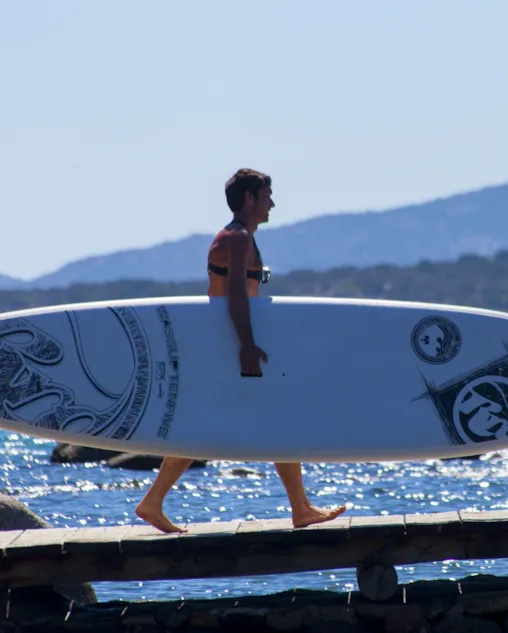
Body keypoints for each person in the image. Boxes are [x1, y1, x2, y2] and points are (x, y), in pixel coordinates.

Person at [135, 168, 348, 534]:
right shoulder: (236, 238)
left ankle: (153, 502)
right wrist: (247, 346)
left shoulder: (241, 239)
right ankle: (300, 509)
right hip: (230, 343)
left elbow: (246, 284)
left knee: (215, 425)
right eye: (267, 195)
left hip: (222, 342)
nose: (272, 203)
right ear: (249, 198)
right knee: (280, 420)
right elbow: (234, 294)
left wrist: (263, 277)